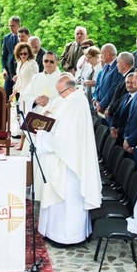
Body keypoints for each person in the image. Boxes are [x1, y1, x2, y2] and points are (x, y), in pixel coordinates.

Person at [35, 74, 102, 247]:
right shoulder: (67, 99)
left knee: (67, 199)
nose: (59, 95)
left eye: (61, 92)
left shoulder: (76, 104)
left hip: (70, 161)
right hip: (62, 158)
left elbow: (65, 136)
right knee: (58, 199)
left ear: (70, 88)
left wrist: (43, 134)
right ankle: (52, 231)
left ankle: (68, 236)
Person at [11, 42, 39, 137]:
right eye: (21, 53)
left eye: (25, 53)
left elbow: (35, 80)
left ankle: (28, 143)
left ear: (29, 53)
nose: (23, 55)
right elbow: (19, 80)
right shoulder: (19, 63)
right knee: (22, 117)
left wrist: (31, 95)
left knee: (28, 117)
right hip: (22, 94)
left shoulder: (32, 64)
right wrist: (14, 93)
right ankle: (22, 145)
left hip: (30, 94)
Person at [92, 44, 122, 113]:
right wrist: (96, 100)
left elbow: (113, 89)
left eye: (102, 53)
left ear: (108, 54)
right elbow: (99, 85)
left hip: (108, 109)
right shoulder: (106, 66)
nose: (101, 56)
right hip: (99, 106)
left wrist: (101, 105)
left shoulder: (117, 67)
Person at [1, 16, 20, 98]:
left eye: (13, 26)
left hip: (20, 73)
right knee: (5, 97)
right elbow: (3, 56)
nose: (11, 28)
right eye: (9, 26)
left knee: (20, 98)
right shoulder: (6, 38)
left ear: (18, 26)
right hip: (9, 72)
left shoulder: (23, 38)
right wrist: (4, 69)